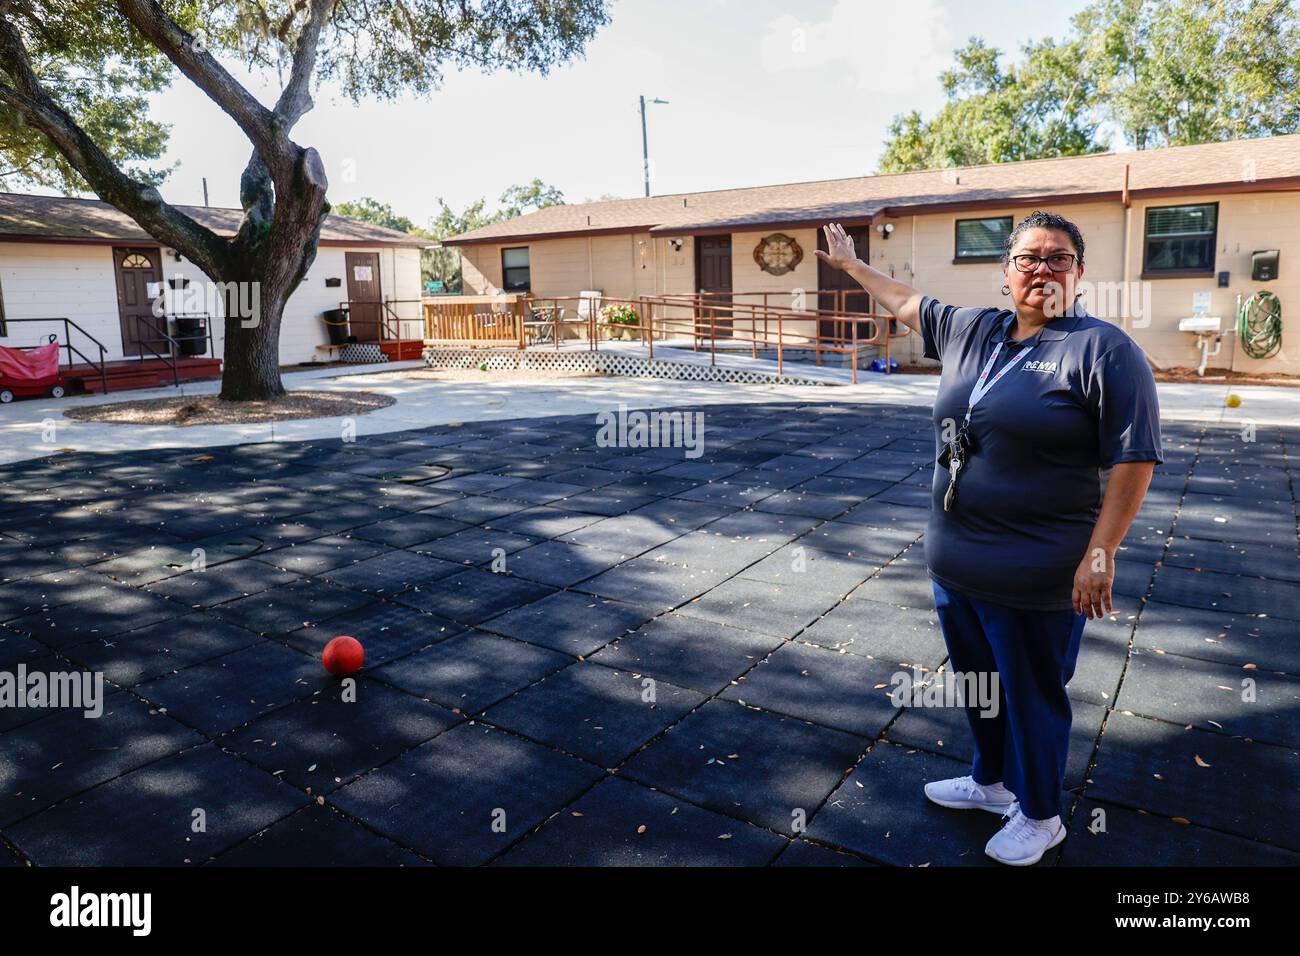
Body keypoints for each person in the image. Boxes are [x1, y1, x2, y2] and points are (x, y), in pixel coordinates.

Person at [815, 210, 1162, 865]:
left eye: (1059, 258)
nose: (1042, 269)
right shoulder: (973, 329)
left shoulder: (1103, 350)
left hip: (1038, 570)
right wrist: (852, 267)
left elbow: (1134, 459)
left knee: (1031, 693)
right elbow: (905, 300)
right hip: (957, 561)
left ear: (1079, 273)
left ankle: (1039, 814)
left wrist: (1100, 554)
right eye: (1029, 258)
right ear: (1005, 274)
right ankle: (992, 782)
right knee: (981, 683)